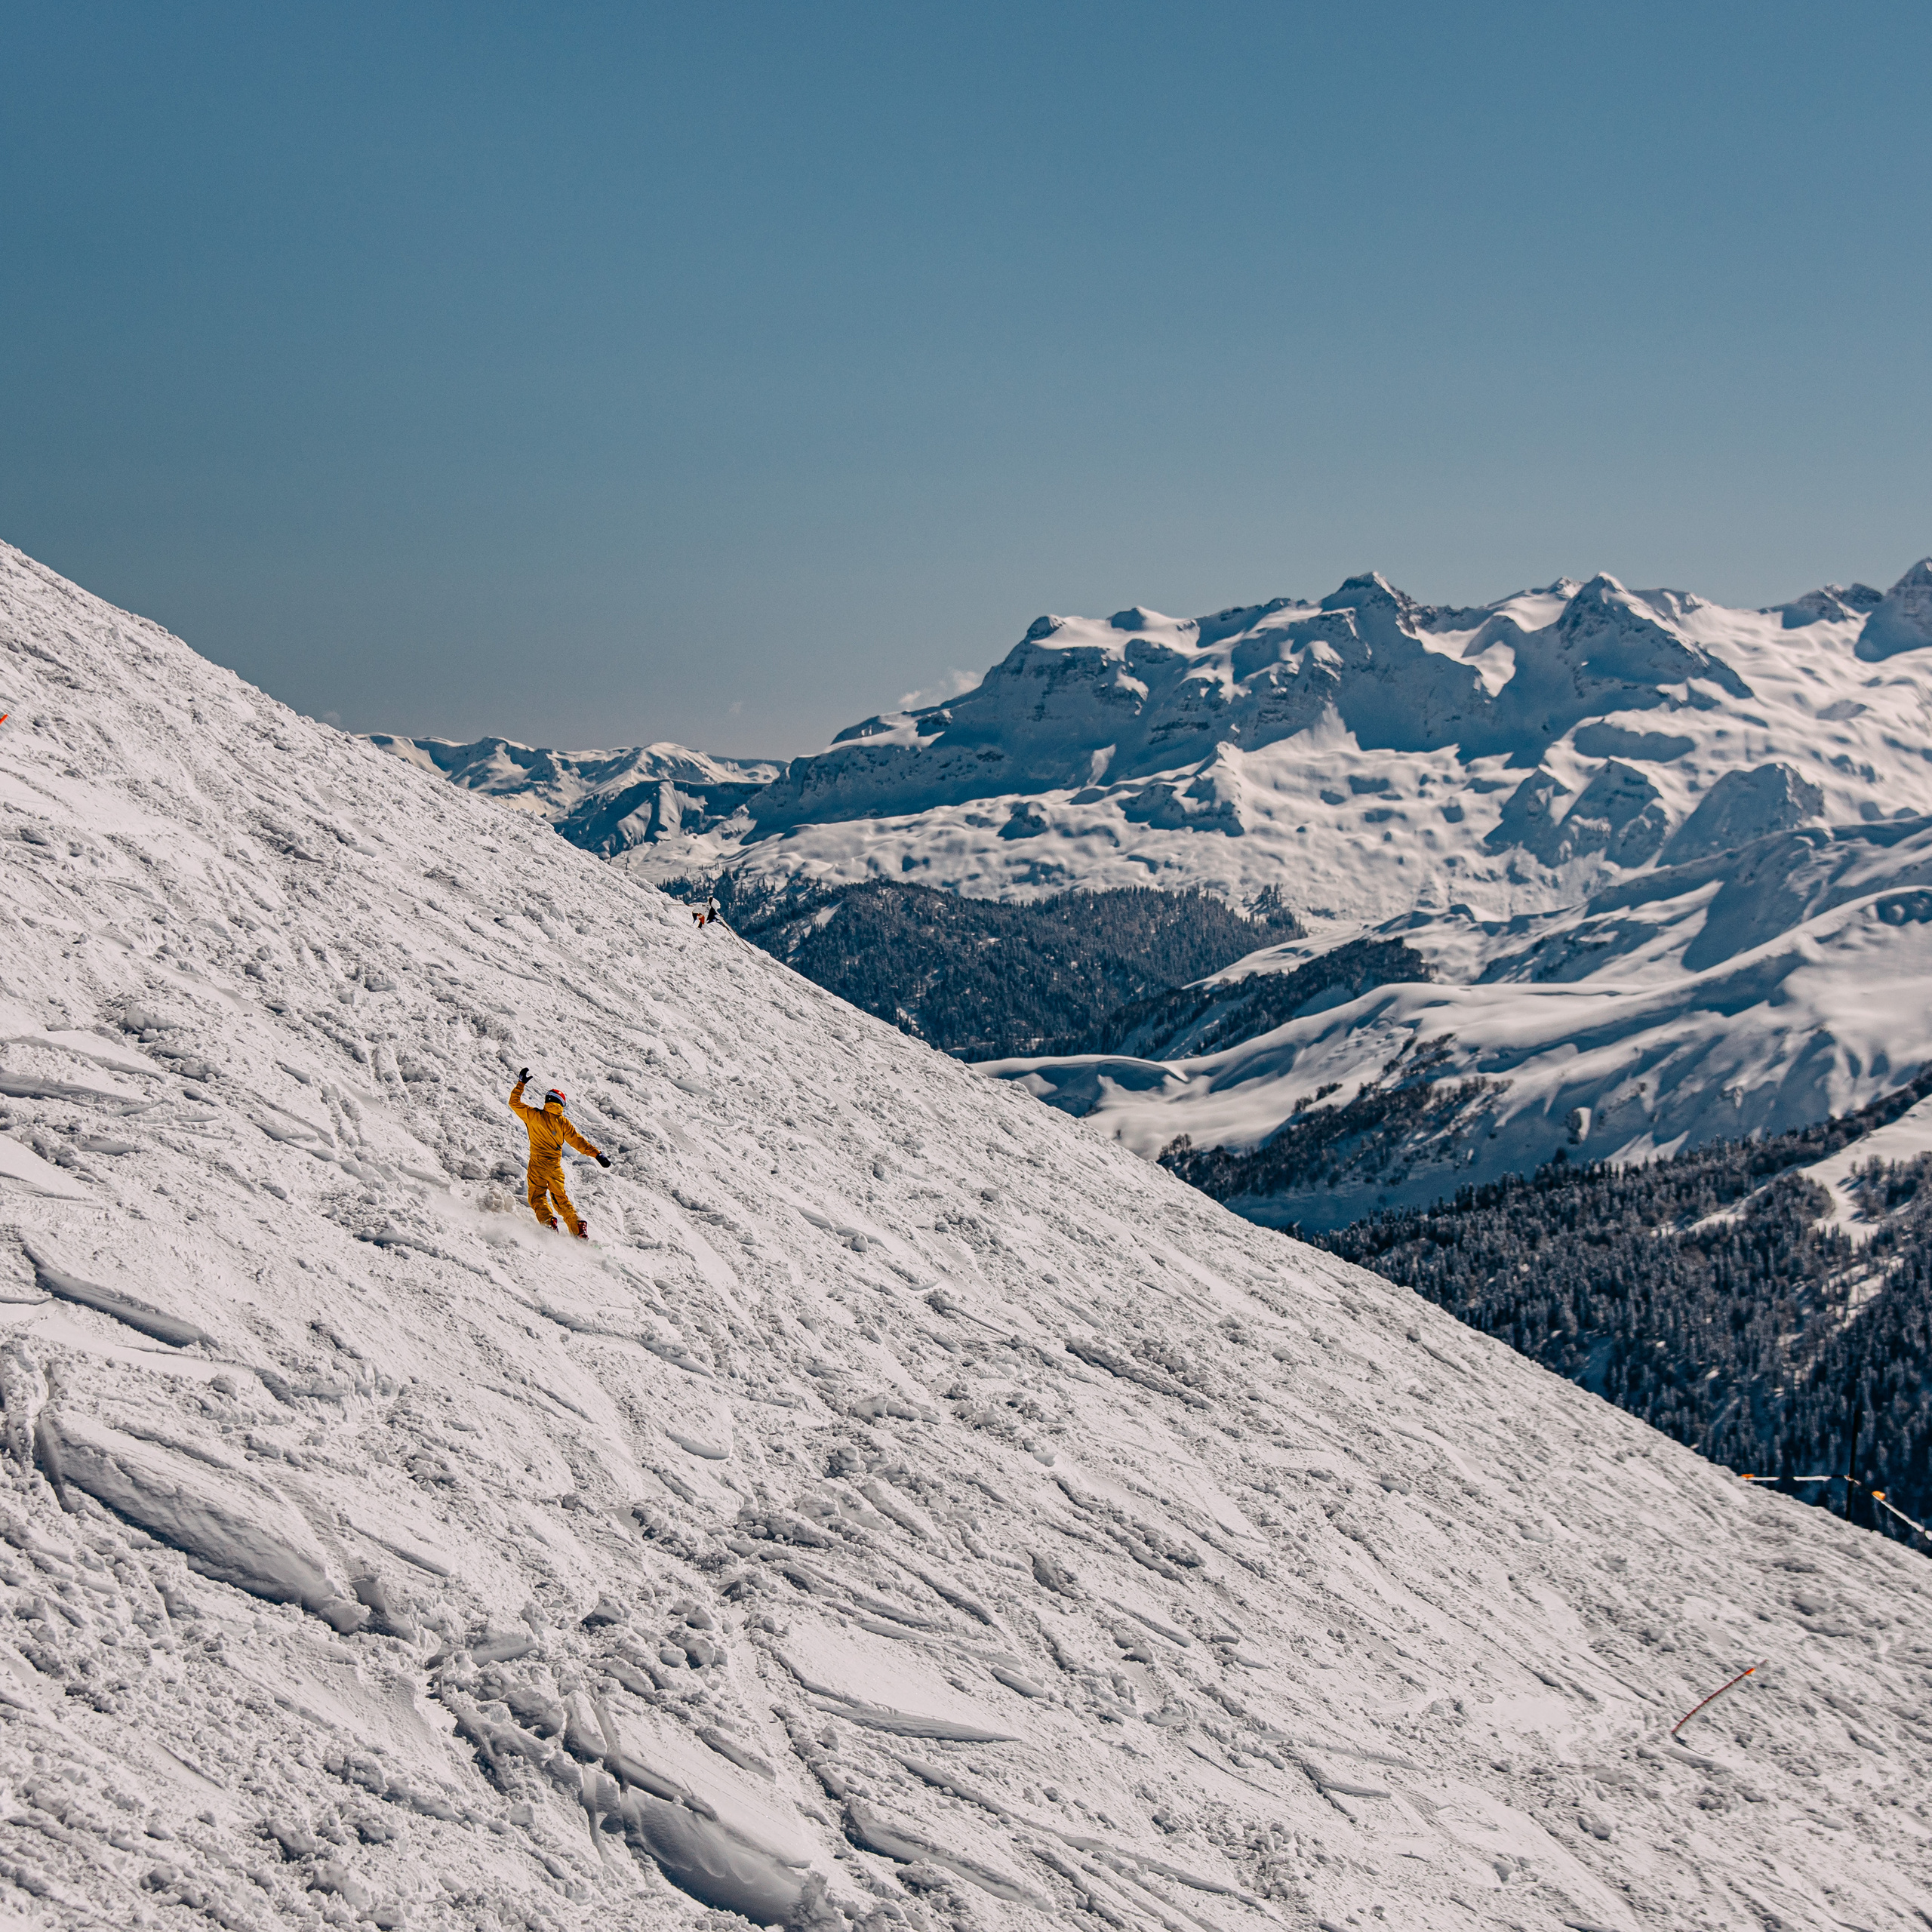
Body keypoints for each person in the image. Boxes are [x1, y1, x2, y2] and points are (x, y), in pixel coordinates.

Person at [509, 1069, 610, 1238]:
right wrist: (597, 1155)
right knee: (560, 1199)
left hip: (537, 1165)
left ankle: (549, 1222)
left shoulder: (533, 1115)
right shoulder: (563, 1123)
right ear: (561, 1104)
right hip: (555, 1168)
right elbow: (579, 1142)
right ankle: (577, 1227)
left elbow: (514, 1102)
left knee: (537, 1196)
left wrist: (521, 1084)